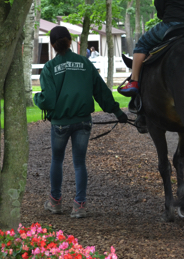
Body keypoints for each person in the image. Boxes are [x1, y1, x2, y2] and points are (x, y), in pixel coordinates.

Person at [34, 26, 128, 218]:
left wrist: (37, 98)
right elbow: (101, 91)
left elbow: (48, 99)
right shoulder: (85, 63)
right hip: (83, 122)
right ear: (70, 41)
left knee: (57, 160)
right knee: (79, 163)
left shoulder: (50, 68)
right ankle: (79, 205)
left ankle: (55, 202)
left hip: (60, 123)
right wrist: (117, 112)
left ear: (52, 45)